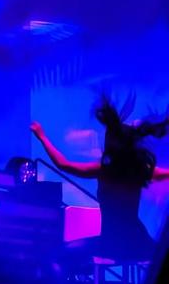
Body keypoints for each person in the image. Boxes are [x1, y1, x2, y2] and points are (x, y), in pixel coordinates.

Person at [31, 95, 169, 262]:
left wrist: (42, 137)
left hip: (112, 242)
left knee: (59, 255)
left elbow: (63, 164)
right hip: (138, 242)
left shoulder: (104, 171)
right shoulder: (139, 170)